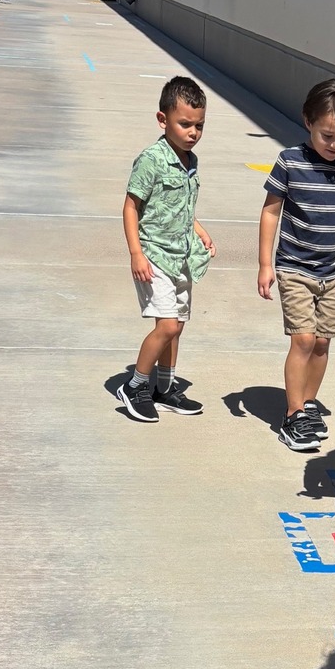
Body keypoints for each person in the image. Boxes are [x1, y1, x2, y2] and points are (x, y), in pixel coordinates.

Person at [258, 78, 335, 454]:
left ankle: (306, 404)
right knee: (303, 339)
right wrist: (264, 263)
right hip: (295, 266)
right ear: (308, 121)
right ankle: (292, 414)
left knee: (323, 343)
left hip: (334, 270)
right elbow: (271, 211)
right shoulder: (290, 161)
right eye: (327, 136)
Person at [117, 75, 216, 421]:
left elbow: (180, 206)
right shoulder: (152, 159)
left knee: (179, 325)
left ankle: (164, 387)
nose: (193, 132)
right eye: (185, 124)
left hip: (181, 257)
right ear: (163, 120)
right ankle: (135, 386)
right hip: (154, 255)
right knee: (168, 326)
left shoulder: (191, 161)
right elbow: (131, 207)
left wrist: (199, 230)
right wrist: (136, 253)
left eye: (199, 125)